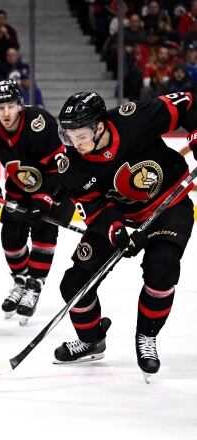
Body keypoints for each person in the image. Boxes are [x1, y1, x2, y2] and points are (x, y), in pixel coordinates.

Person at [54, 91, 195, 381]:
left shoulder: (136, 118)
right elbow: (93, 209)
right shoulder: (71, 166)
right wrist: (116, 231)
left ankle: (147, 337)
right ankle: (92, 340)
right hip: (118, 215)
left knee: (163, 268)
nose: (74, 143)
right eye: (69, 136)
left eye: (80, 135)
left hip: (168, 202)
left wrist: (195, 134)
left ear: (100, 126)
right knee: (73, 285)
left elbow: (189, 104)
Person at [0, 79, 75, 324]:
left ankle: (34, 285)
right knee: (10, 237)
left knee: (43, 234)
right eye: (0, 107)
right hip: (19, 186)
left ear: (20, 105)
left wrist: (44, 200)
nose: (6, 113)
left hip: (57, 187)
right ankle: (20, 281)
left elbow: (59, 168)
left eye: (10, 106)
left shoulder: (41, 124)